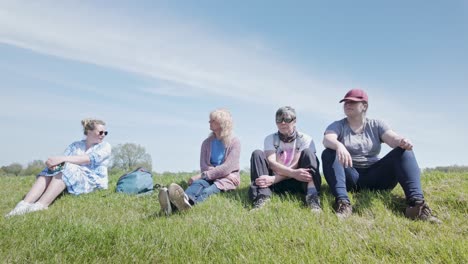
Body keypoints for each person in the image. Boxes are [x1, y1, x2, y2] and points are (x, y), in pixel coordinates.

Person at [322, 88, 440, 223]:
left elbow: (392, 138)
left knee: (403, 151)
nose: (348, 104)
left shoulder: (376, 125)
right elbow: (327, 139)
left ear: (364, 106)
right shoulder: (338, 125)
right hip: (350, 177)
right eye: (346, 102)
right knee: (329, 152)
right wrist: (339, 145)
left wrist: (402, 141)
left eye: (352, 102)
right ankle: (343, 204)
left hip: (376, 177)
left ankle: (416, 206)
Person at [5, 118, 112, 217]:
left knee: (67, 166)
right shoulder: (75, 145)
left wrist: (61, 159)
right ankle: (24, 204)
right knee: (52, 169)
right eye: (101, 132)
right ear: (89, 132)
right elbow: (62, 161)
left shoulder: (105, 146)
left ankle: (40, 205)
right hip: (74, 176)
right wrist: (53, 163)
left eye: (105, 133)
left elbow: (88, 158)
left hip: (92, 181)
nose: (103, 135)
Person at [158, 108, 241, 215]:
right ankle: (182, 199)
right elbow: (204, 167)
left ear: (222, 123)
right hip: (216, 176)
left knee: (207, 191)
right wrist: (220, 174)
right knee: (197, 185)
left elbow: (228, 167)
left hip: (226, 180)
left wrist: (205, 175)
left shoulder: (235, 142)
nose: (209, 122)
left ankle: (174, 206)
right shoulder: (206, 143)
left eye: (212, 121)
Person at [248, 106, 322, 212]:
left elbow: (296, 164)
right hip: (274, 183)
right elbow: (272, 163)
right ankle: (262, 197)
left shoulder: (305, 139)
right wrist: (275, 179)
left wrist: (276, 178)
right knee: (257, 154)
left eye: (287, 120)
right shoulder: (270, 139)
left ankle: (312, 198)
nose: (282, 123)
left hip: (298, 180)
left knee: (309, 153)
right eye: (279, 120)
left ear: (294, 121)